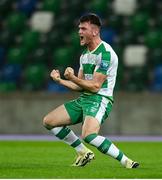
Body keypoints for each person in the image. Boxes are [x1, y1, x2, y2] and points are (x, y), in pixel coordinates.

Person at [43, 13, 139, 168]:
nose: (79, 32)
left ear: (95, 31)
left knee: (88, 135)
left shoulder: (105, 53)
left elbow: (95, 86)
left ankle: (126, 161)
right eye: (79, 29)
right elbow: (80, 86)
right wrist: (60, 80)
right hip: (85, 99)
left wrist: (73, 77)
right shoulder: (85, 55)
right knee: (49, 122)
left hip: (100, 99)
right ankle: (82, 152)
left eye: (83, 28)